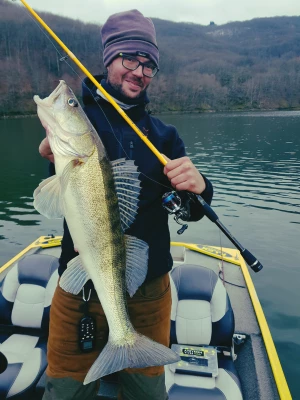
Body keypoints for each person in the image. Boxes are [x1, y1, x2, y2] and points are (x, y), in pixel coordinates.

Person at [39, 9, 213, 400]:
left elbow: (192, 210)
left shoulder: (164, 136)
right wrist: (47, 152)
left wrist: (201, 187)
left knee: (147, 392)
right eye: (130, 58)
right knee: (65, 389)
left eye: (149, 64)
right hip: (79, 290)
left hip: (149, 293)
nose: (140, 70)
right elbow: (58, 181)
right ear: (109, 58)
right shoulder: (81, 121)